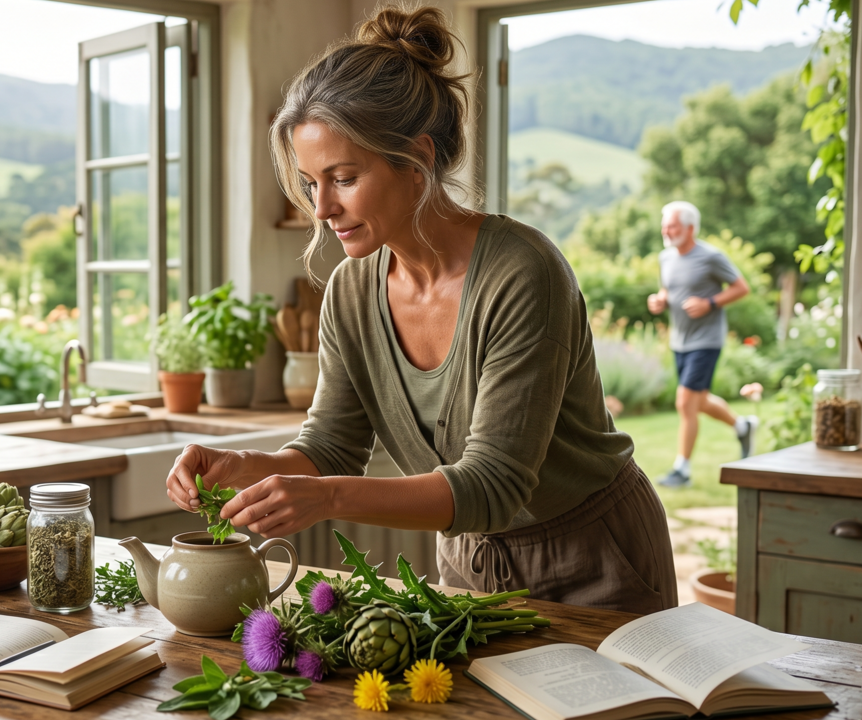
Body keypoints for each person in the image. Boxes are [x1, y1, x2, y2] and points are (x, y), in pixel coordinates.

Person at [164, 5, 677, 615]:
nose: (321, 207)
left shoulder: (522, 273)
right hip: (467, 561)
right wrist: (247, 466)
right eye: (309, 183)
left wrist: (325, 499)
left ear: (417, 160)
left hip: (595, 558)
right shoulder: (352, 292)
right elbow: (331, 445)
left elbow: (493, 485)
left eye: (344, 178)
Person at [648, 201, 755, 488]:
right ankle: (743, 426)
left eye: (673, 226)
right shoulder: (665, 257)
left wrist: (710, 303)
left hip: (706, 340)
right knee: (699, 401)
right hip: (679, 340)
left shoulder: (711, 257)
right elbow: (667, 290)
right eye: (665, 225)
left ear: (690, 228)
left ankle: (681, 470)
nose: (666, 231)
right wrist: (660, 300)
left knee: (685, 402)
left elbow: (741, 287)